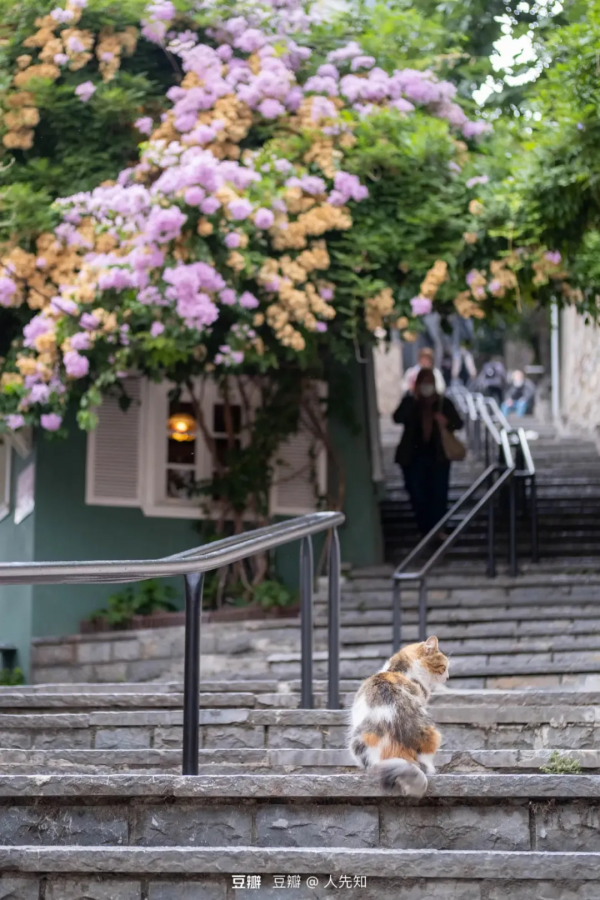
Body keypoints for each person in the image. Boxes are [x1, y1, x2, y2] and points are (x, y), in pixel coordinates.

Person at [393, 367, 463, 539]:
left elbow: (458, 423)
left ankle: (437, 528)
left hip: (438, 456)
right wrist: (413, 400)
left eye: (429, 382)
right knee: (416, 491)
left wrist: (445, 422)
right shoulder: (410, 402)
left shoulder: (443, 403)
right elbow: (397, 417)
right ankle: (425, 528)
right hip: (413, 456)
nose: (426, 386)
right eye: (423, 382)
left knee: (438, 492)